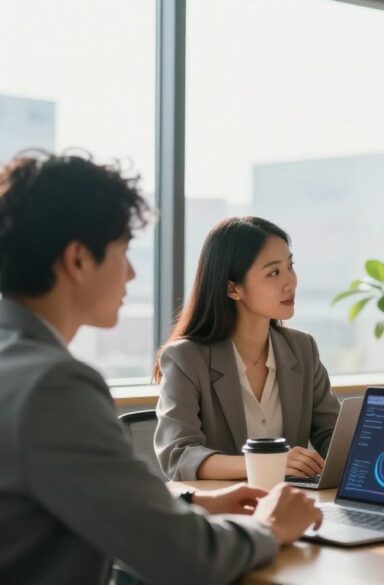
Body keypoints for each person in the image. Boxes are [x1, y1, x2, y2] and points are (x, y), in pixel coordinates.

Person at [0, 152, 321, 584]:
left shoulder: (15, 364)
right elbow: (189, 556)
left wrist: (191, 504)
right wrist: (268, 527)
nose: (131, 273)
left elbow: (90, 497)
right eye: (122, 250)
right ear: (78, 261)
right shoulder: (54, 386)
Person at [154, 216, 340, 481]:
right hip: (224, 511)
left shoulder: (302, 348)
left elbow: (332, 434)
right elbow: (178, 456)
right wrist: (267, 464)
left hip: (292, 506)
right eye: (274, 272)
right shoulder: (186, 358)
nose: (291, 282)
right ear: (233, 289)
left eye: (290, 266)